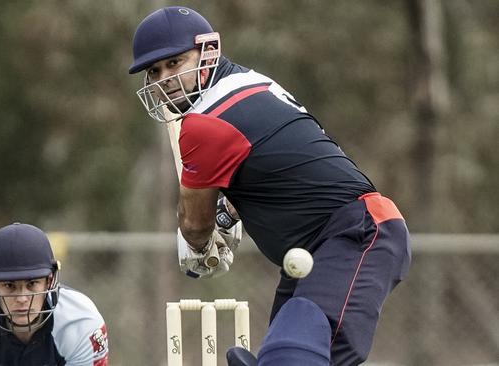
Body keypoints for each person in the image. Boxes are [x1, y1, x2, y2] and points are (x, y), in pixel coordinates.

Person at [129, 6, 411, 365]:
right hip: (323, 247)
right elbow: (280, 166)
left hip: (355, 235)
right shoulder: (253, 81)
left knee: (300, 357)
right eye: (155, 70)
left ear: (209, 52)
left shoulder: (204, 123)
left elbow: (195, 226)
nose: (165, 77)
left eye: (175, 63)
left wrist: (198, 244)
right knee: (280, 357)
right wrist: (228, 211)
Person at [0, 223, 109, 366]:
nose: (22, 298)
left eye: (32, 284)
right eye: (9, 285)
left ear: (49, 281)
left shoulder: (81, 323)